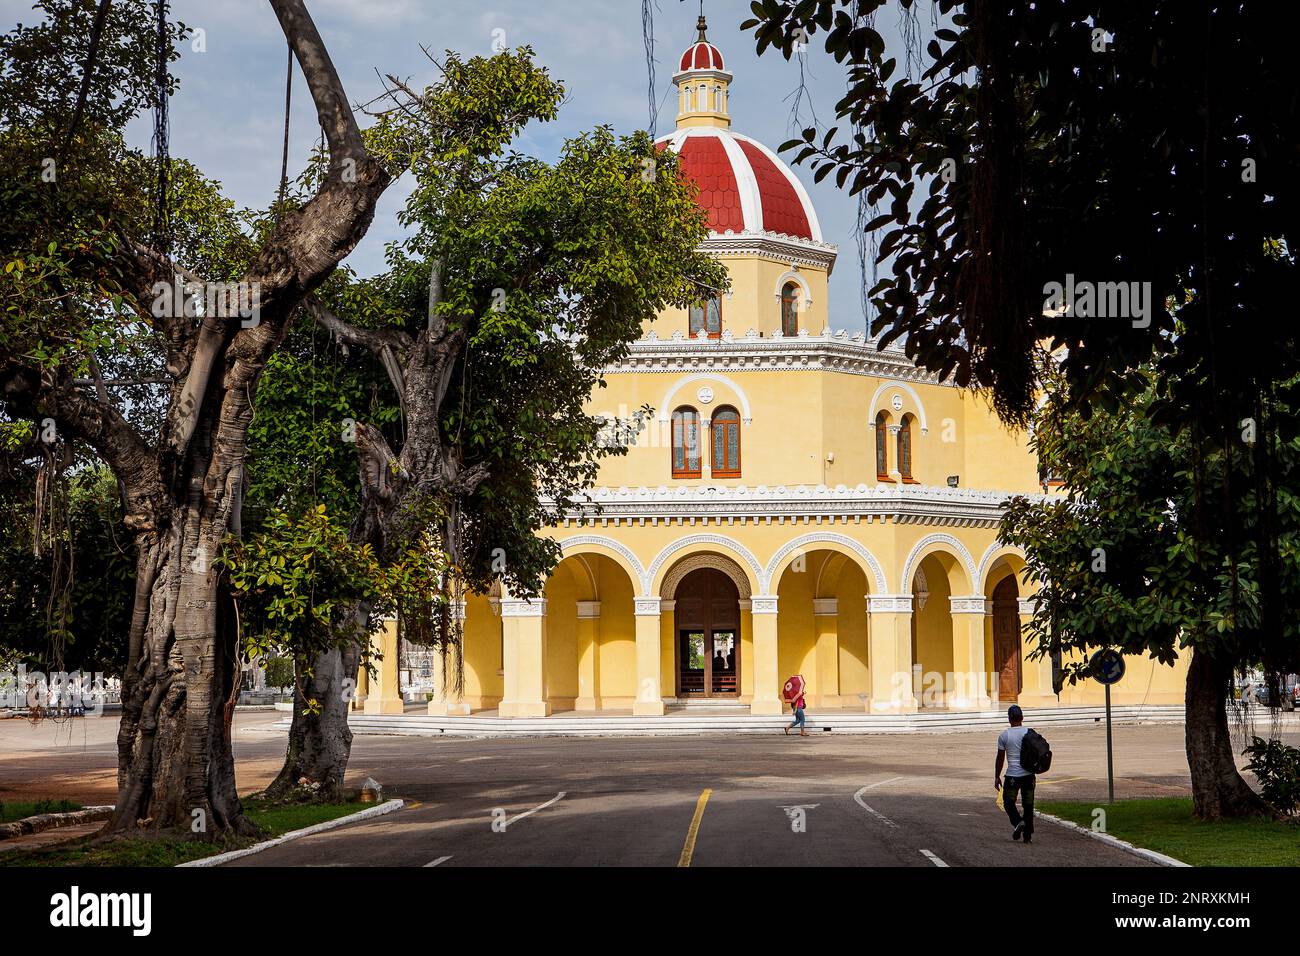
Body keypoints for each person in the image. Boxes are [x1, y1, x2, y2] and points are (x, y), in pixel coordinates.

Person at [994, 704, 1035, 844]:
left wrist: (997, 776)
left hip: (1012, 776)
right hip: (1029, 776)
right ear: (1022, 718)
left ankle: (1018, 822)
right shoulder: (1030, 733)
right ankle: (1027, 836)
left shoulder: (1004, 736)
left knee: (1008, 802)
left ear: (1009, 719)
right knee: (1028, 804)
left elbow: (1000, 758)